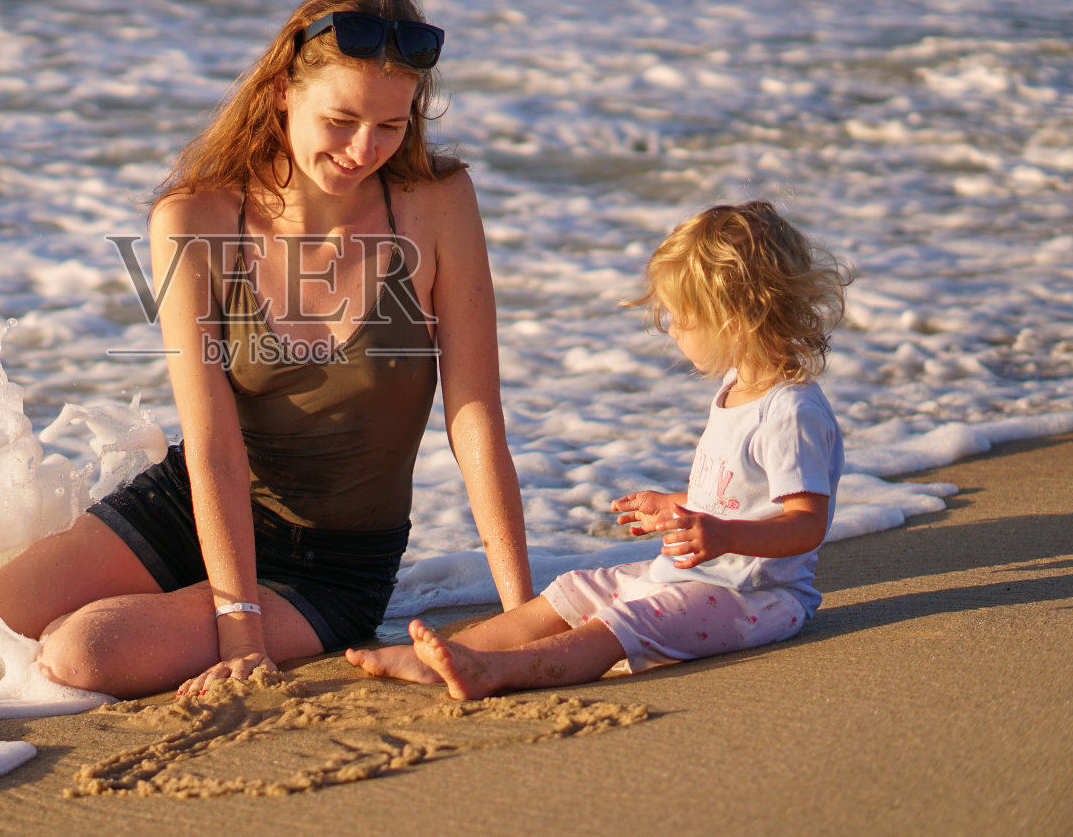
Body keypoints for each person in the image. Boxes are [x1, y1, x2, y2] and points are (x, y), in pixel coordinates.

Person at [0, 0, 534, 699]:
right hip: (197, 503)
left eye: (391, 126)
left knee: (80, 655)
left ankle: (191, 608)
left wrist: (526, 613)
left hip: (332, 562)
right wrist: (236, 621)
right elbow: (210, 436)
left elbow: (475, 419)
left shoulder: (436, 204)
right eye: (341, 120)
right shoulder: (194, 219)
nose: (364, 148)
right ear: (282, 92)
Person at [347, 200, 850, 699]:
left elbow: (806, 524)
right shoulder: (739, 387)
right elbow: (739, 495)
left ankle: (499, 670)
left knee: (626, 619)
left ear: (736, 318)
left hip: (755, 598)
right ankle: (438, 660)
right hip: (695, 577)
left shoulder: (790, 412)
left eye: (680, 316)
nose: (670, 328)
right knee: (577, 586)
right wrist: (679, 507)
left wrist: (720, 533)